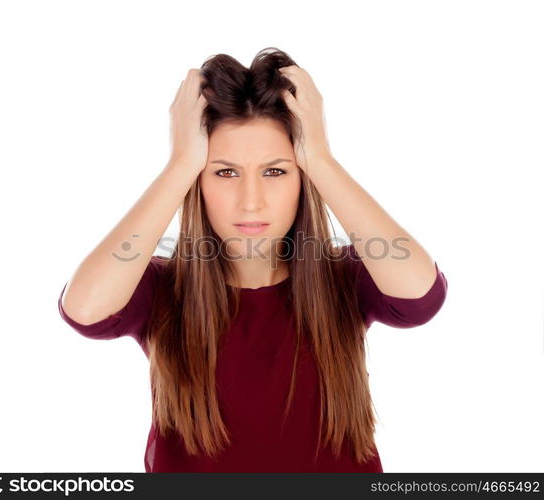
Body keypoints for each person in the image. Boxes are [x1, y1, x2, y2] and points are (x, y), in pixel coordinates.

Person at [58, 47, 448, 472]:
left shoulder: (347, 277)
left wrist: (320, 158)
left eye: (275, 171)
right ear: (198, 182)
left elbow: (420, 297)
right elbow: (84, 310)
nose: (251, 202)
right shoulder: (160, 287)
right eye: (225, 172)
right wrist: (180, 164)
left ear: (303, 178)